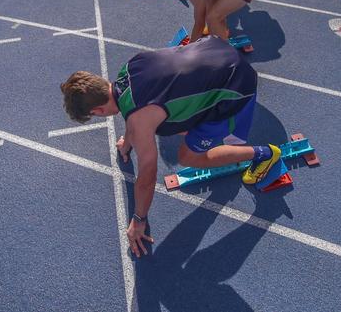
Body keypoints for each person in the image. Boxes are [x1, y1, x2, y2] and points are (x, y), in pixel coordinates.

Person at [60, 37, 283, 257]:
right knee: (164, 122)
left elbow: (148, 175)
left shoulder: (138, 120)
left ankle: (265, 154)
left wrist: (139, 220)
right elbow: (134, 115)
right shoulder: (127, 69)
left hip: (236, 88)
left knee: (188, 157)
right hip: (217, 50)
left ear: (98, 111)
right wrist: (127, 143)